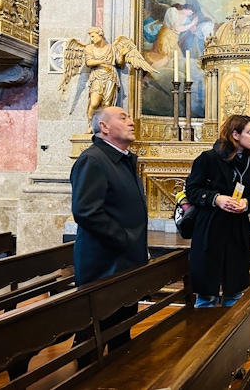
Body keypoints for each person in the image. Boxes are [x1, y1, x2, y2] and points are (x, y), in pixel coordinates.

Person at [70, 105, 149, 352]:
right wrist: (125, 238)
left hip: (124, 261)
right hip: (104, 263)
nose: (131, 121)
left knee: (120, 331)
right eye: (123, 118)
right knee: (94, 336)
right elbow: (86, 211)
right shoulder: (93, 160)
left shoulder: (121, 159)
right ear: (104, 127)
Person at [185, 115, 250, 308]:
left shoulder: (249, 161)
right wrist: (216, 199)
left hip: (237, 229)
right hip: (210, 226)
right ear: (235, 134)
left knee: (234, 291)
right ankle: (204, 334)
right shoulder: (208, 158)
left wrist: (245, 203)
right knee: (206, 295)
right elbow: (192, 190)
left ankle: (232, 334)